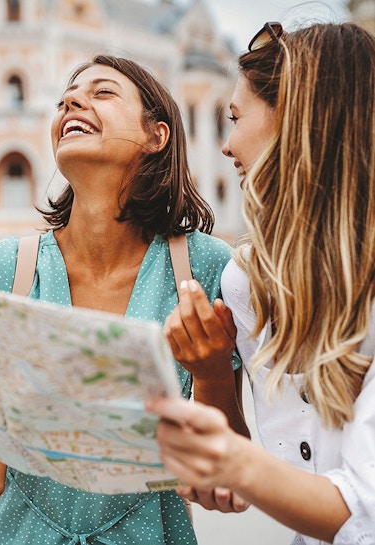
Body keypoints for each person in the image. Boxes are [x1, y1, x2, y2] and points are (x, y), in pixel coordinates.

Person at [0, 54, 248, 545]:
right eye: (65, 98)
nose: (72, 100)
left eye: (102, 92)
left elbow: (223, 477)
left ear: (156, 136)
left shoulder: (207, 270)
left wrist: (212, 373)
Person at [146, 22, 375, 545]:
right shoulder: (246, 278)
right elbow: (264, 479)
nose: (226, 146)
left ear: (297, 119)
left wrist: (230, 460)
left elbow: (363, 509)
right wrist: (211, 376)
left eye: (235, 118)